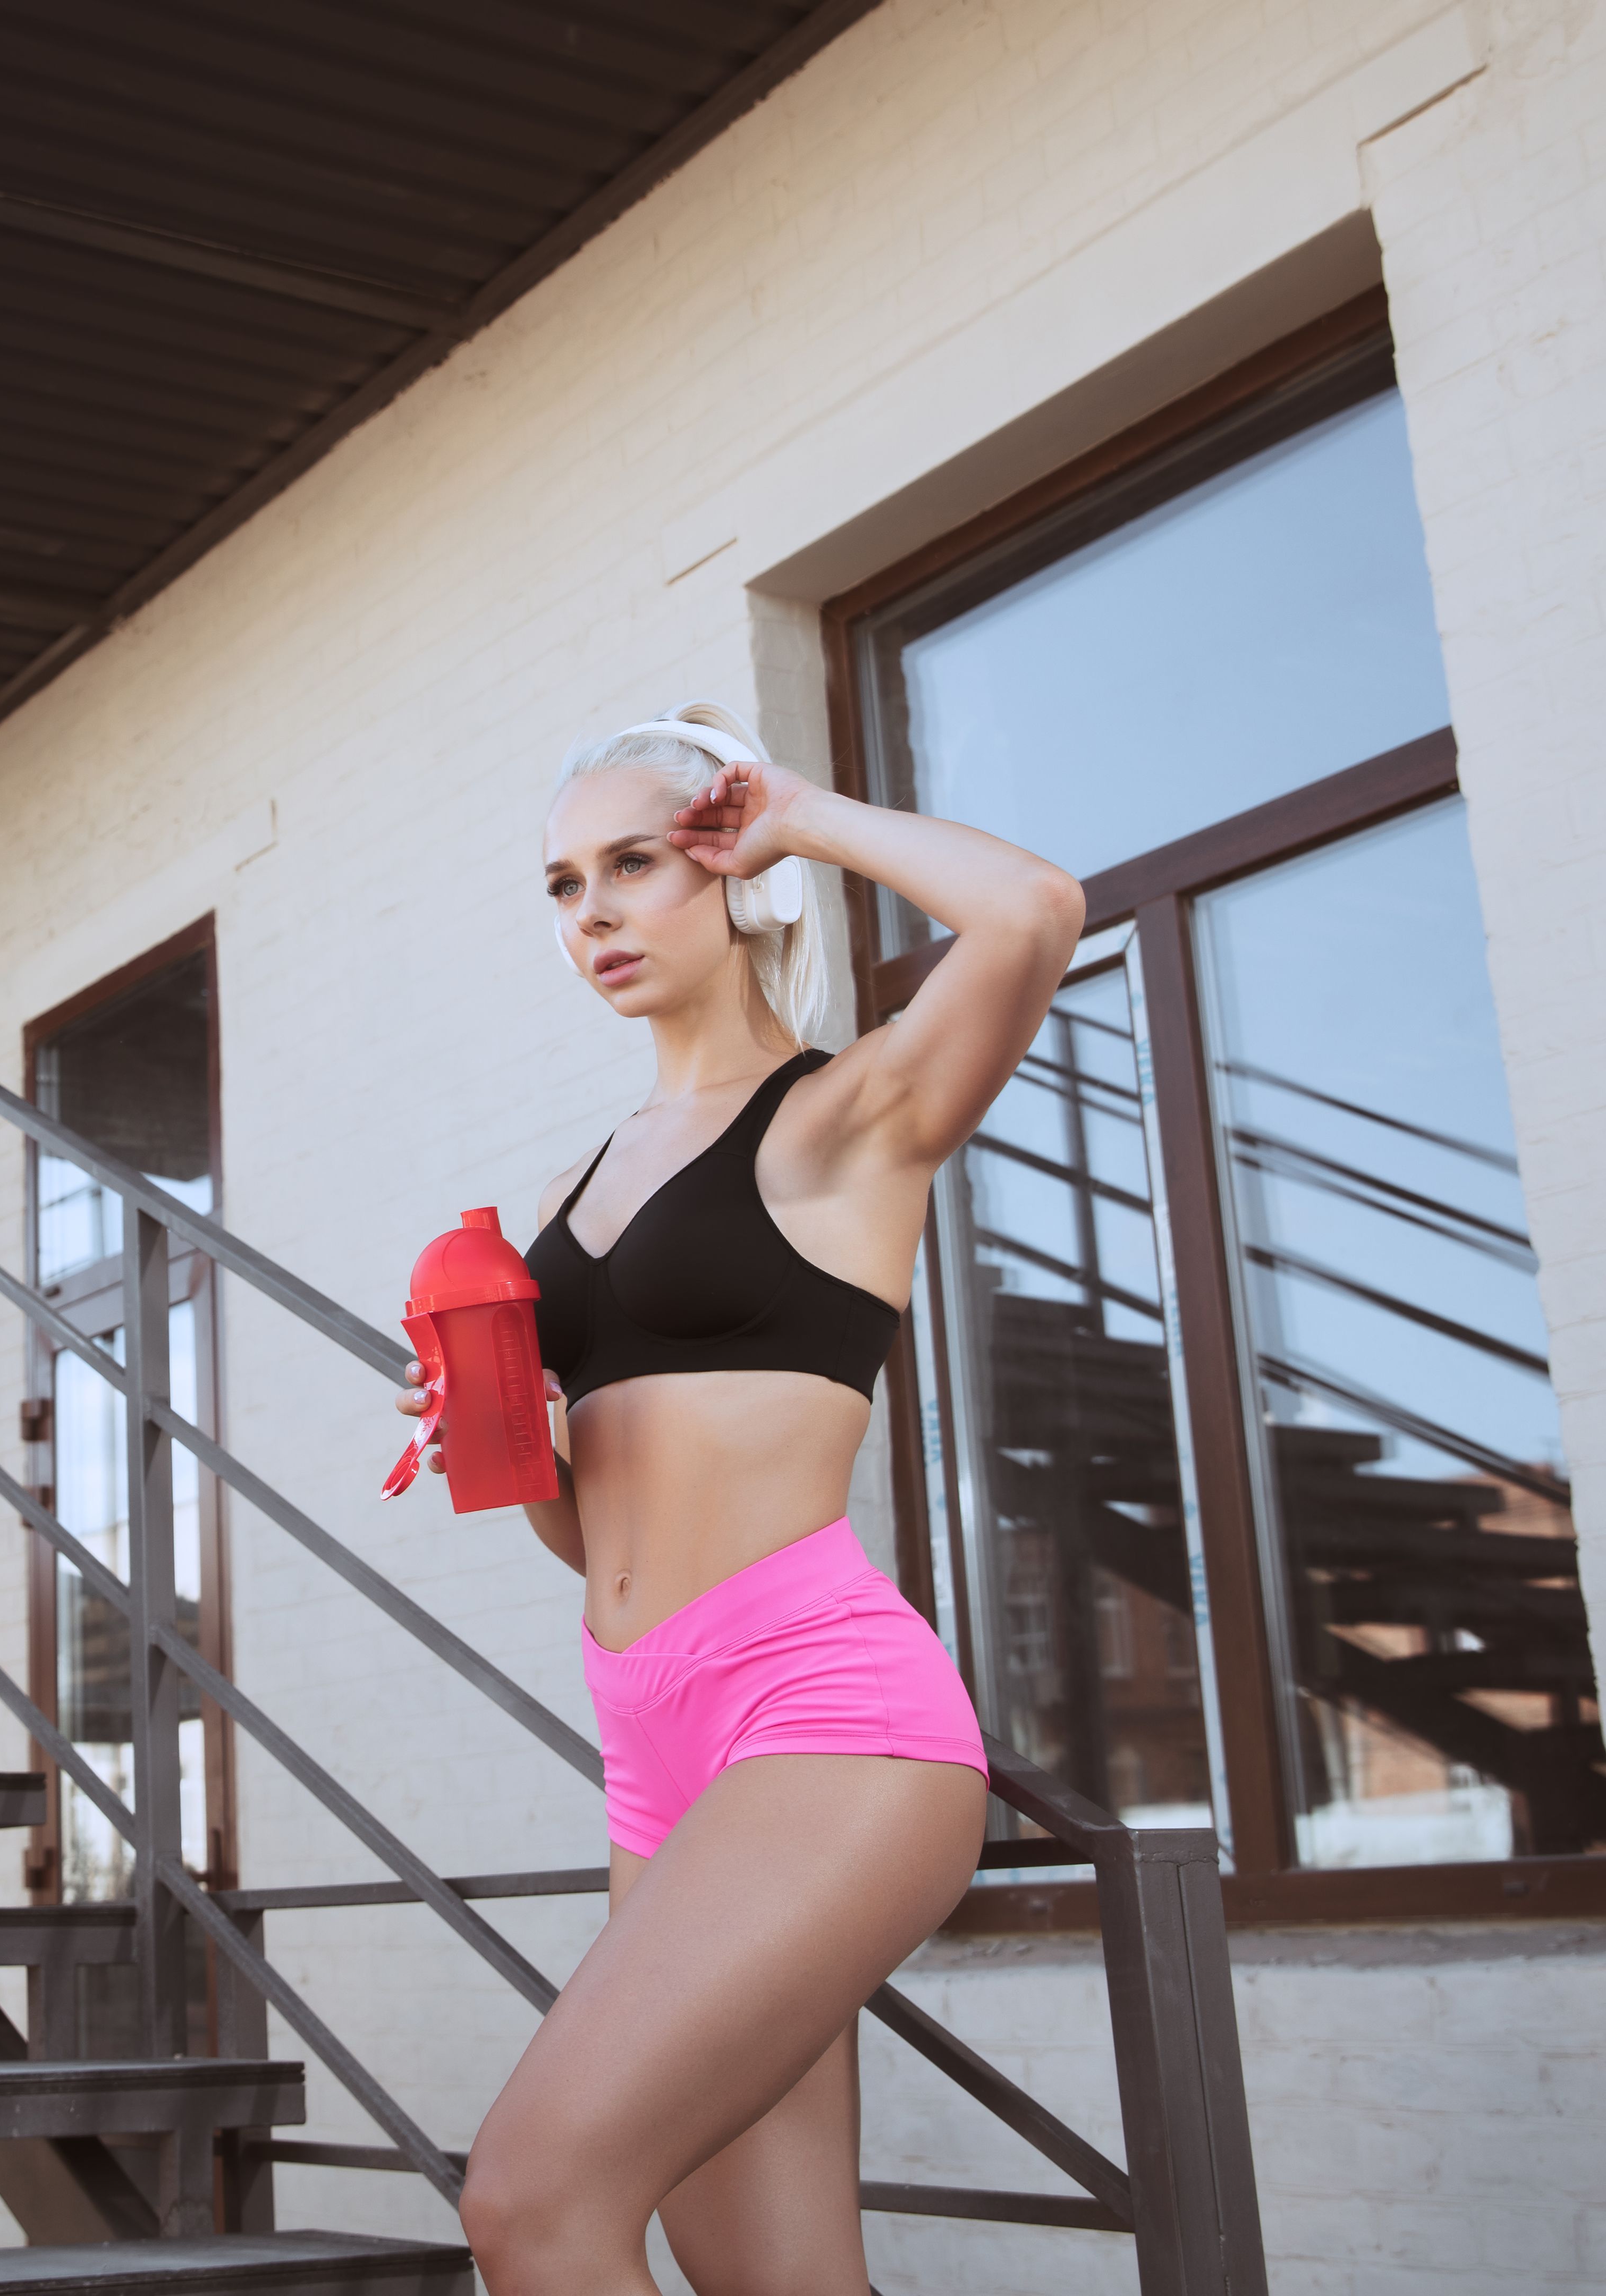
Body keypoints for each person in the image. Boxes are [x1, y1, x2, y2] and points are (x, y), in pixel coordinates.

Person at [395, 700, 1081, 2294]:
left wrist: (802, 814)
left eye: (638, 863)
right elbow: (588, 1532)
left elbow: (1037, 909)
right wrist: (502, 1436)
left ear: (731, 873)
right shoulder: (579, 1184)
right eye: (565, 885)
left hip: (824, 1721)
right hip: (653, 1748)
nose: (598, 915)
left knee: (533, 2202)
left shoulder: (848, 1119)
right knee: (768, 2276)